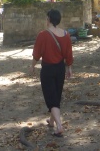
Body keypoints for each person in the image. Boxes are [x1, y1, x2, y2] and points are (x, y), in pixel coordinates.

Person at [31, 9, 73, 138]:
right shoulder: (66, 34)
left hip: (48, 69)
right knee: (56, 94)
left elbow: (37, 54)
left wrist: (32, 66)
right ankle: (51, 122)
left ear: (49, 19)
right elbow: (68, 54)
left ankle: (59, 126)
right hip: (60, 68)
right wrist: (69, 67)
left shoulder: (43, 35)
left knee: (51, 98)